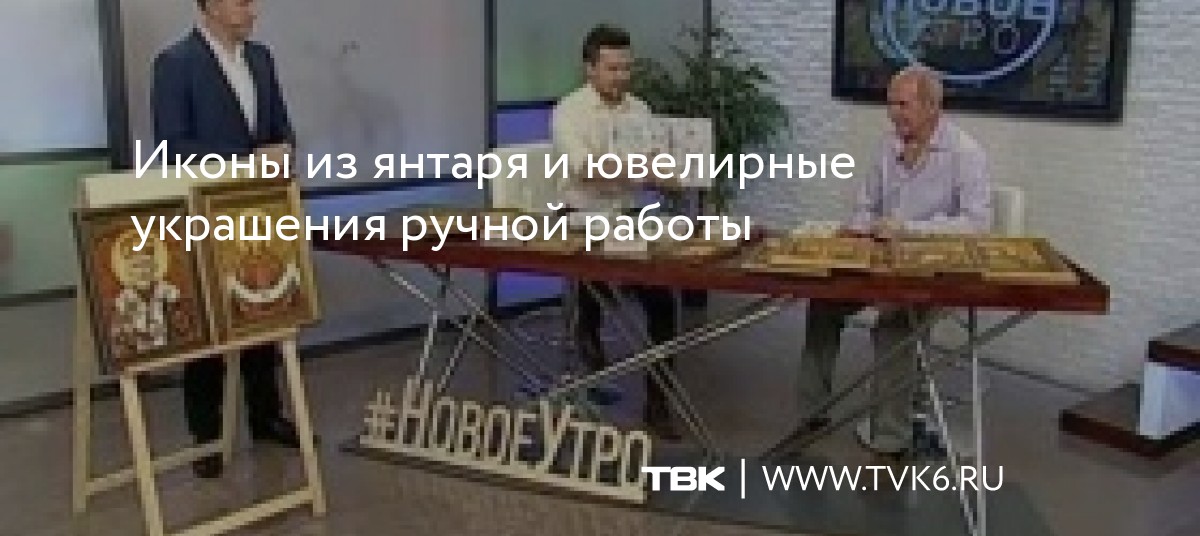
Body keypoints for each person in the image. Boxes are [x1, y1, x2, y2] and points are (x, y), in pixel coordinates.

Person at [796, 65, 992, 458]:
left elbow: (977, 225)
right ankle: (811, 414)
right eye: (890, 104)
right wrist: (853, 232)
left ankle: (891, 439)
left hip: (934, 273)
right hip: (880, 264)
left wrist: (909, 230)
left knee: (895, 323)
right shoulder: (887, 146)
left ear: (932, 107)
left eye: (903, 105)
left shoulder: (966, 154)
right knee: (824, 302)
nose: (893, 114)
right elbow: (866, 207)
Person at [152, 0, 302, 478]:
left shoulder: (261, 58)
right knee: (209, 326)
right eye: (242, 1)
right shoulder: (175, 64)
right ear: (212, 6)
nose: (254, 10)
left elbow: (279, 125)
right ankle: (206, 437)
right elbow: (172, 146)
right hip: (204, 214)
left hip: (259, 210)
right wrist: (246, 161)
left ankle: (266, 416)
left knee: (261, 311)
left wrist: (285, 149)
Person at [550, 25, 679, 438]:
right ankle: (588, 354)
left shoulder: (640, 110)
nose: (622, 77)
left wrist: (671, 175)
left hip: (628, 216)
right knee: (593, 279)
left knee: (663, 300)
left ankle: (658, 404)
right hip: (579, 216)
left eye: (627, 68)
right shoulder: (569, 111)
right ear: (589, 69)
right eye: (612, 68)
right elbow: (583, 168)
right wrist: (637, 168)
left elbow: (657, 166)